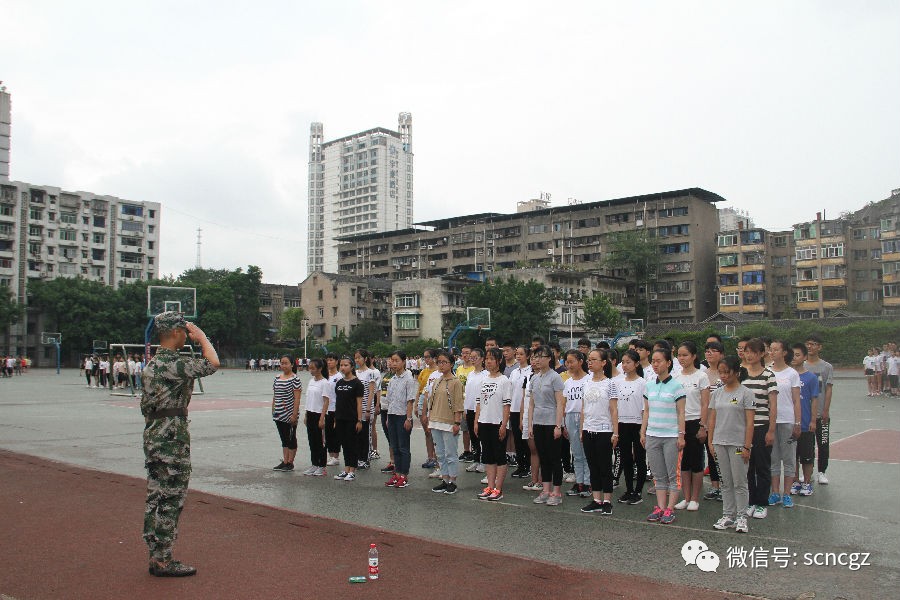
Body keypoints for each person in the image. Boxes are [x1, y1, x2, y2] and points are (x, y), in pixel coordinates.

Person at [141, 311, 219, 577]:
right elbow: (212, 363)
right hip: (171, 438)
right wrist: (203, 338)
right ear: (175, 333)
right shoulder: (173, 363)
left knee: (156, 496)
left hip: (154, 434)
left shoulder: (153, 363)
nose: (187, 335)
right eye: (184, 331)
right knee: (171, 497)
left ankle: (156, 553)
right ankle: (163, 559)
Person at [707, 356, 755, 533]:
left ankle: (742, 517)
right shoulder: (717, 394)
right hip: (720, 442)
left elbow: (750, 423)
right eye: (721, 372)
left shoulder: (746, 393)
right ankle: (728, 515)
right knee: (725, 482)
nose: (724, 375)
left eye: (727, 372)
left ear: (736, 372)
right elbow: (712, 419)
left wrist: (746, 446)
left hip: (737, 444)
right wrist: (711, 442)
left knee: (739, 482)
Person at [641, 348, 686, 525]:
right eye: (653, 361)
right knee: (658, 475)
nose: (655, 364)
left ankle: (670, 508)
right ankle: (660, 507)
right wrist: (643, 431)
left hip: (671, 436)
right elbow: (646, 411)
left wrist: (681, 435)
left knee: (672, 475)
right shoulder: (650, 385)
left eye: (659, 361)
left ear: (668, 363)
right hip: (653, 435)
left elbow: (681, 413)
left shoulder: (677, 386)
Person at [742, 338, 778, 520]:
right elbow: (734, 397)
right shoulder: (741, 374)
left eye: (753, 352)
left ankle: (762, 503)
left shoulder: (769, 375)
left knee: (762, 466)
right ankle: (750, 501)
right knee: (746, 466)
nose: (749, 355)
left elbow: (772, 404)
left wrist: (771, 430)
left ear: (761, 354)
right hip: (742, 429)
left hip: (762, 426)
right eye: (746, 351)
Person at [580, 349, 619, 514]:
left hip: (604, 430)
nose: (590, 362)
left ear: (604, 363)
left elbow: (614, 410)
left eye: (594, 359)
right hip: (588, 429)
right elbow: (583, 408)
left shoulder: (610, 383)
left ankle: (607, 501)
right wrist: (582, 429)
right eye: (589, 359)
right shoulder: (586, 382)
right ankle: (596, 499)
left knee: (604, 467)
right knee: (592, 466)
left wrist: (615, 433)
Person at [674, 341, 710, 512]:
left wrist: (703, 426)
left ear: (694, 356)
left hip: (696, 422)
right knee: (684, 463)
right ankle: (686, 498)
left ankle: (695, 498)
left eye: (685, 355)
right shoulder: (675, 377)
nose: (681, 358)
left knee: (696, 463)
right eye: (679, 355)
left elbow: (705, 404)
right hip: (680, 424)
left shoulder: (701, 376)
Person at [528, 345, 566, 506]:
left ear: (549, 358)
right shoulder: (534, 378)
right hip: (538, 422)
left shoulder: (555, 377)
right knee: (543, 456)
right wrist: (529, 425)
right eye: (535, 357)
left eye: (540, 356)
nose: (537, 359)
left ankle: (556, 492)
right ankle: (545, 489)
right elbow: (531, 404)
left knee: (554, 458)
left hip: (552, 422)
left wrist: (558, 426)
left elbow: (560, 403)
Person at [475, 348, 513, 501]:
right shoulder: (483, 379)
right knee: (488, 456)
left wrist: (504, 425)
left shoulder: (504, 380)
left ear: (499, 361)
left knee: (499, 456)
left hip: (497, 423)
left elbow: (506, 406)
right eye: (487, 359)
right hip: (484, 422)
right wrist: (476, 421)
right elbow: (479, 403)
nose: (488, 361)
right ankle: (490, 487)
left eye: (492, 359)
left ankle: (499, 488)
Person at [767, 340, 801, 508]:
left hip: (787, 420)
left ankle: (787, 494)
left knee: (788, 458)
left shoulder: (792, 374)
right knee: (773, 458)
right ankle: (774, 492)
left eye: (775, 349)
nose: (772, 352)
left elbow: (796, 400)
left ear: (784, 352)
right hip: (770, 422)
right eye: (770, 350)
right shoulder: (767, 372)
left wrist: (798, 422)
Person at [426, 349, 465, 495]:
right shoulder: (437, 380)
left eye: (444, 362)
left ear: (452, 364)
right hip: (435, 421)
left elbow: (458, 404)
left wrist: (457, 423)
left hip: (449, 422)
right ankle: (444, 479)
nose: (441, 365)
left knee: (450, 453)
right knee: (440, 454)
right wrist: (430, 420)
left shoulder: (456, 382)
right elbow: (432, 401)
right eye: (439, 362)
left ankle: (452, 481)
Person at [615, 349, 647, 504]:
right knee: (626, 458)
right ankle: (628, 489)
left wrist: (643, 430)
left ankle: (638, 491)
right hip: (622, 423)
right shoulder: (618, 382)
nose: (625, 365)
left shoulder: (642, 383)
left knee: (640, 458)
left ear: (636, 364)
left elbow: (644, 408)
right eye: (623, 362)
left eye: (628, 362)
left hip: (638, 424)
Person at [383, 351, 417, 489]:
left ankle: (404, 475)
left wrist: (408, 418)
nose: (394, 363)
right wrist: (388, 418)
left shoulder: (409, 378)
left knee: (403, 447)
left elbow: (410, 400)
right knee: (394, 446)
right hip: (392, 415)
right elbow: (390, 399)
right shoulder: (393, 379)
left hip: (403, 416)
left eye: (397, 360)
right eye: (392, 360)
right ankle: (397, 473)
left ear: (404, 362)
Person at [790, 343, 819, 497]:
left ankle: (807, 482)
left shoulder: (811, 377)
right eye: (792, 354)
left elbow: (814, 400)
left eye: (798, 355)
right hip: (790, 423)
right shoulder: (787, 375)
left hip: (806, 423)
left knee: (806, 456)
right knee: (792, 455)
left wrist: (813, 421)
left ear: (805, 357)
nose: (794, 357)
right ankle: (794, 481)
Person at [804, 334, 833, 485]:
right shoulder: (800, 366)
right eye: (808, 344)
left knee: (823, 443)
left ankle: (822, 471)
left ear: (819, 347)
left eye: (814, 344)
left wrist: (826, 410)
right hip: (805, 414)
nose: (810, 347)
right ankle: (807, 471)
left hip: (821, 413)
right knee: (807, 445)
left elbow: (828, 389)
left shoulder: (827, 367)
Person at [563, 350, 591, 498]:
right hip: (570, 417)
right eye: (567, 362)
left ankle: (588, 482)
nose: (569, 365)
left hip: (585, 417)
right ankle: (579, 481)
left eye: (571, 361)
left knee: (586, 451)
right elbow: (564, 404)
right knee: (576, 452)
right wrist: (564, 424)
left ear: (581, 362)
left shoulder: (589, 379)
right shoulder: (567, 382)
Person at [333, 357, 364, 482]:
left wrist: (359, 420)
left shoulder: (357, 383)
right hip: (340, 418)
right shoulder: (339, 383)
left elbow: (359, 403)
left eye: (346, 365)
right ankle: (346, 469)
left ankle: (352, 470)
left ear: (352, 367)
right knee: (345, 444)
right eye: (341, 365)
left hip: (352, 419)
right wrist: (335, 419)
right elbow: (337, 402)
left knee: (352, 444)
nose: (343, 367)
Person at [271, 355, 302, 472]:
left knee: (291, 438)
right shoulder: (277, 377)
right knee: (283, 438)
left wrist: (294, 414)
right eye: (282, 363)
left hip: (289, 414)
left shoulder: (295, 379)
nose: (283, 365)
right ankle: (284, 461)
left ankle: (290, 462)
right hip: (278, 413)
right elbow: (275, 395)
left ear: (292, 364)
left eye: (286, 363)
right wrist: (273, 409)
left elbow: (297, 399)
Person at [302, 358, 329, 476]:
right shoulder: (311, 381)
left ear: (320, 369)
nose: (311, 370)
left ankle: (322, 466)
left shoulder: (325, 383)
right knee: (312, 441)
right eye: (310, 368)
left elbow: (326, 401)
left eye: (313, 368)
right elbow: (308, 399)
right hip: (310, 414)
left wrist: (322, 418)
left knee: (320, 442)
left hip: (319, 415)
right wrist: (306, 415)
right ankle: (314, 464)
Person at [463, 349, 487, 476]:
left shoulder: (486, 374)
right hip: (470, 409)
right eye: (471, 357)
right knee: (473, 435)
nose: (472, 359)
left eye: (475, 357)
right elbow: (467, 393)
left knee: (481, 436)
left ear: (482, 358)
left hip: (481, 410)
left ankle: (484, 461)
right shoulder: (471, 374)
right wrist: (465, 409)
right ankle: (476, 459)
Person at [323, 353, 342, 467]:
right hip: (326, 408)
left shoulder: (339, 376)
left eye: (331, 360)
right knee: (327, 433)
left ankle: (336, 456)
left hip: (335, 408)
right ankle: (331, 456)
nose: (329, 362)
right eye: (327, 360)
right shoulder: (325, 376)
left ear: (336, 361)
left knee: (336, 433)